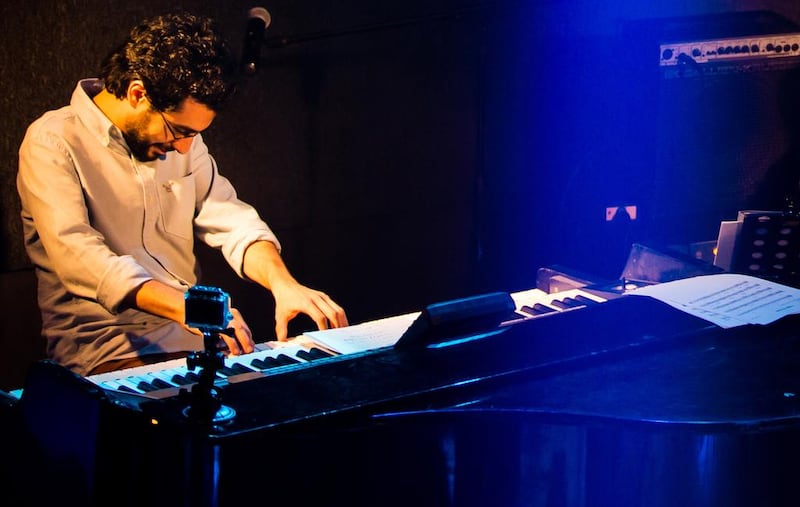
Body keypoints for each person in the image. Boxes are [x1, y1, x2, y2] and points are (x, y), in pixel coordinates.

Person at [16, 11, 348, 377]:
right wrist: (189, 308)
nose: (187, 148)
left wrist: (284, 285)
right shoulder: (53, 141)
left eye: (195, 134)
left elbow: (230, 218)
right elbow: (78, 257)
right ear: (137, 93)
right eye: (179, 131)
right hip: (104, 349)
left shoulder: (183, 145)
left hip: (194, 337)